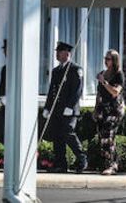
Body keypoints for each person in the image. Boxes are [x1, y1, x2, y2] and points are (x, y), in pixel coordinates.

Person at [44, 41, 86, 173]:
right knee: (57, 136)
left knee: (68, 133)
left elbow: (77, 91)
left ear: (67, 54)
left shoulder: (75, 69)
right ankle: (60, 164)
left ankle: (82, 159)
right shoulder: (56, 71)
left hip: (69, 110)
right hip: (57, 110)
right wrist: (47, 107)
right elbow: (52, 91)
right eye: (57, 52)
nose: (56, 54)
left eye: (59, 52)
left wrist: (70, 106)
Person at [93, 49, 125, 176]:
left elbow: (115, 92)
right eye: (105, 59)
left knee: (108, 134)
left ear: (114, 60)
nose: (105, 61)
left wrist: (104, 82)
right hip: (103, 108)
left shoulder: (119, 74)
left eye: (108, 59)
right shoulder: (102, 73)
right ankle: (112, 163)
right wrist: (96, 109)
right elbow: (99, 94)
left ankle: (111, 165)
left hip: (115, 109)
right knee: (103, 136)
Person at [0, 40, 7, 106]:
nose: (4, 52)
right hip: (5, 103)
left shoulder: (14, 69)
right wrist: (2, 97)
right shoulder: (5, 68)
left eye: (5, 49)